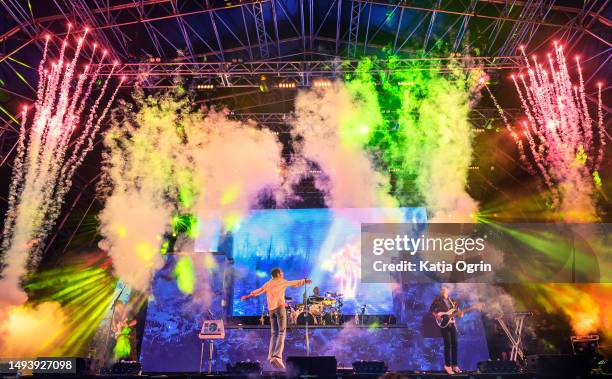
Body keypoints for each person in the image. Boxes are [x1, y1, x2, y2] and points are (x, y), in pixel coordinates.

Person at [241, 268, 311, 369]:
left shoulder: (268, 283)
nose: (283, 274)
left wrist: (248, 296)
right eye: (281, 272)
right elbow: (294, 283)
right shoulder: (281, 281)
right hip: (279, 308)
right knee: (282, 332)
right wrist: (304, 281)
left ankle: (270, 356)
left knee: (274, 333)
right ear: (278, 274)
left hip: (271, 311)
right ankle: (277, 356)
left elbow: (259, 291)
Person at [429, 286, 462, 375]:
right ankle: (447, 366)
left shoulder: (452, 300)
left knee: (455, 343)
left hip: (452, 324)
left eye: (445, 289)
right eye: (442, 289)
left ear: (448, 291)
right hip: (443, 324)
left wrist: (460, 314)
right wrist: (437, 316)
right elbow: (431, 309)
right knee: (447, 344)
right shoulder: (438, 300)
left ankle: (455, 365)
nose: (443, 291)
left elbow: (456, 311)